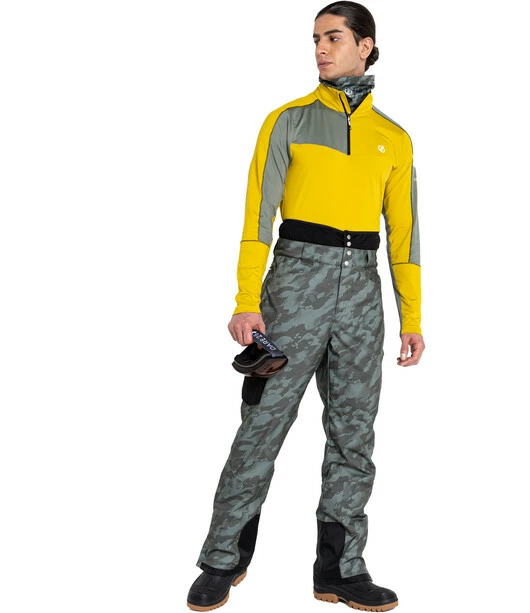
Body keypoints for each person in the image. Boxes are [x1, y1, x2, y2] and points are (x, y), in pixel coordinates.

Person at [187, 2, 425, 610]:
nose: (320, 48)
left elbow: (404, 237)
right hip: (293, 285)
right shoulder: (287, 121)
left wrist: (412, 318)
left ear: (365, 45)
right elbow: (257, 217)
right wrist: (246, 301)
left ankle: (340, 569)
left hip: (363, 292)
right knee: (261, 427)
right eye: (316, 38)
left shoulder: (394, 139)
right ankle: (221, 560)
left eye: (334, 37)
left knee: (353, 435)